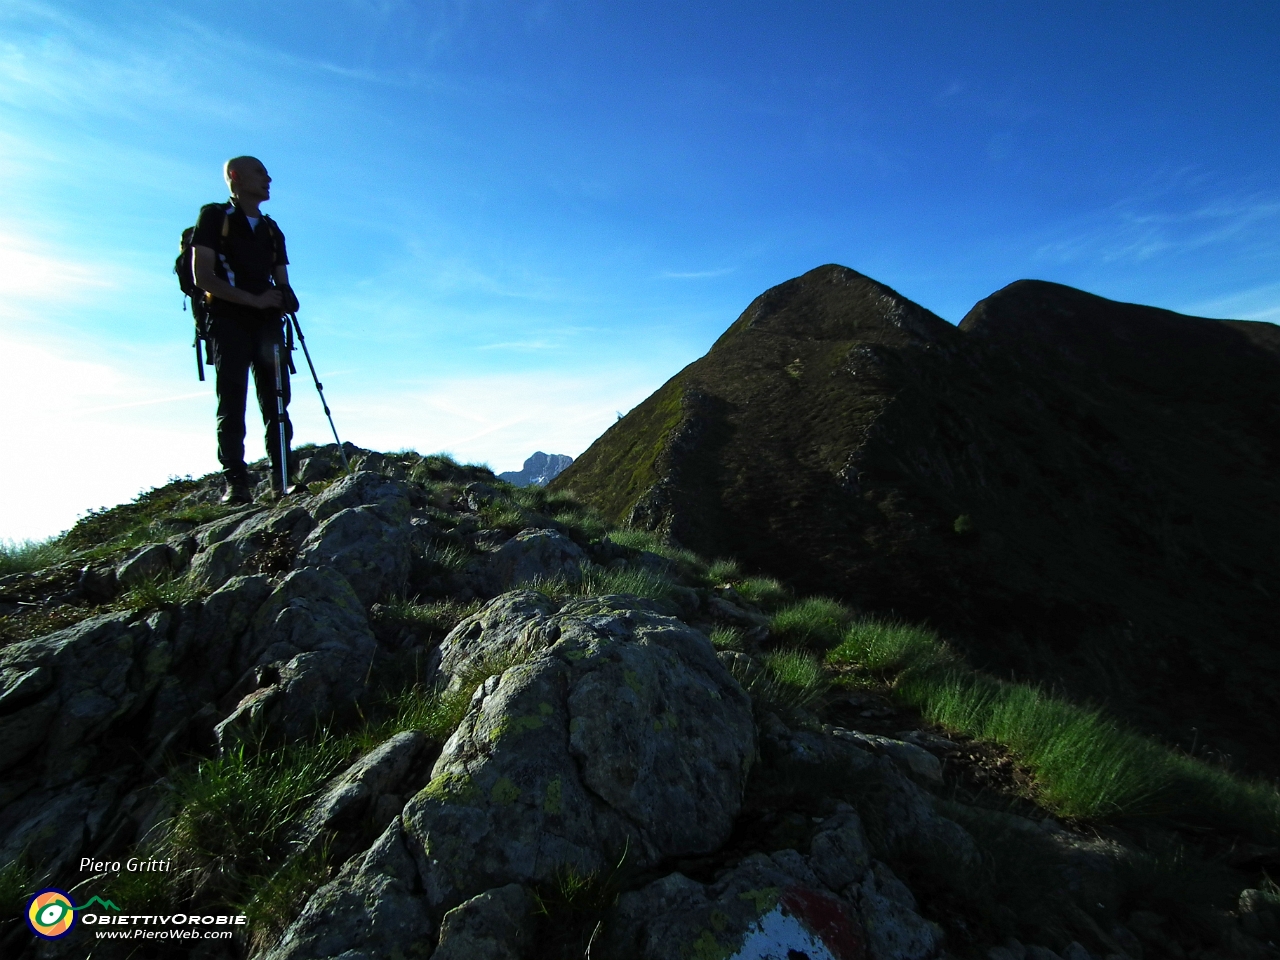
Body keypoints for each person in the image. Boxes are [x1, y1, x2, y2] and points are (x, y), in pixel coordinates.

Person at [191, 156, 300, 504]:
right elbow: (202, 277)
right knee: (233, 401)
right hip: (227, 320)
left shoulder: (271, 229)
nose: (268, 178)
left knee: (277, 401)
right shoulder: (214, 217)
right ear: (235, 177)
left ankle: (280, 479)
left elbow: (283, 283)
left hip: (265, 322)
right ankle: (236, 484)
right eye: (260, 172)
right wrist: (255, 300)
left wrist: (284, 299)